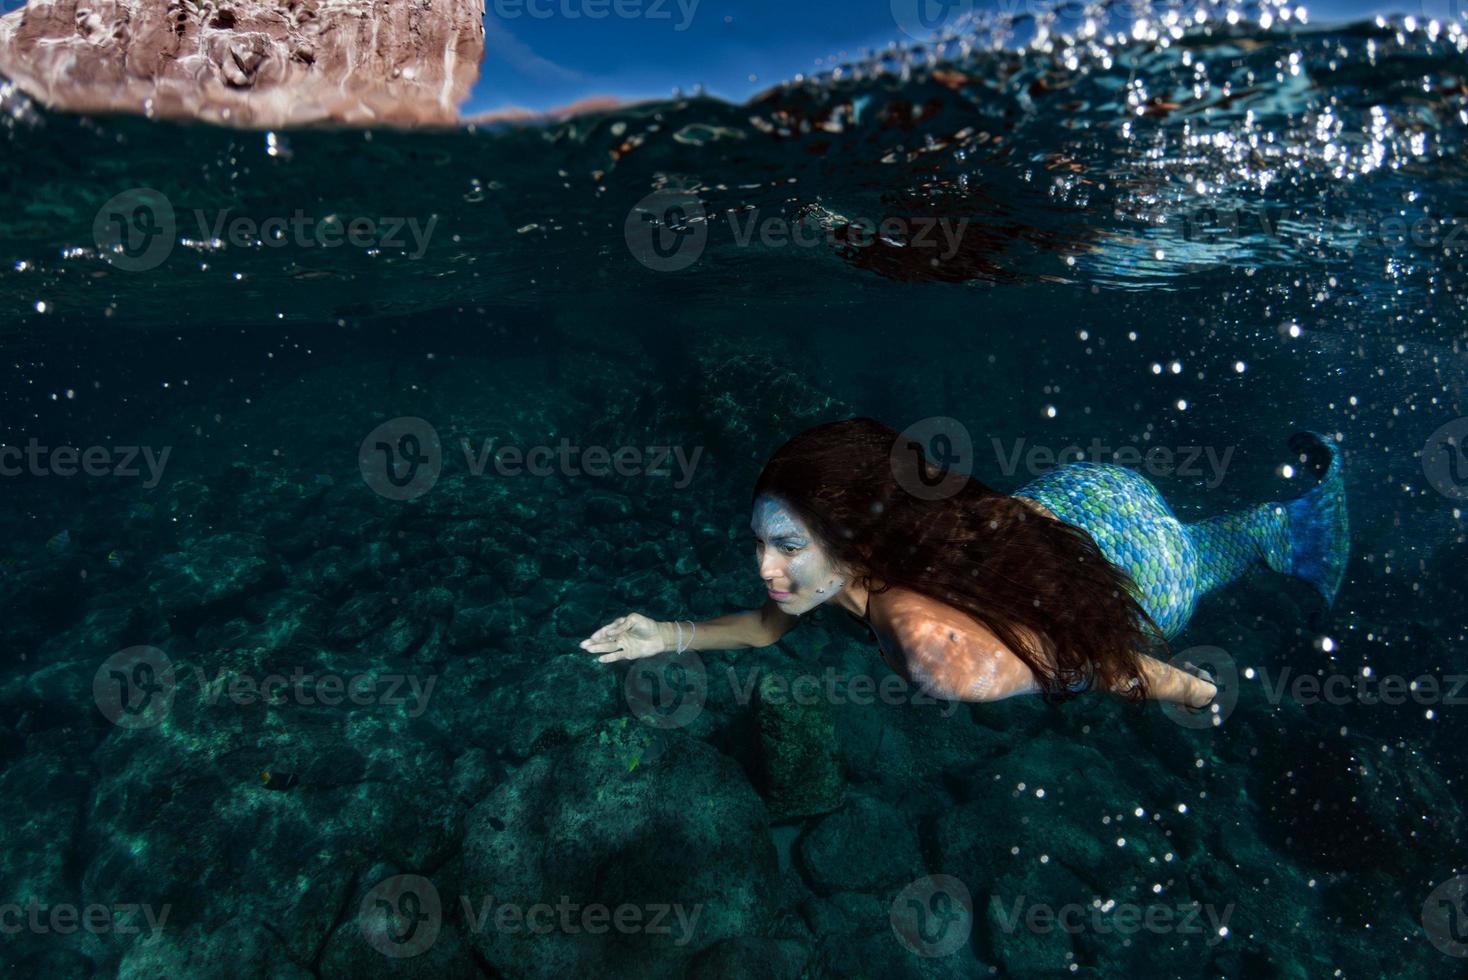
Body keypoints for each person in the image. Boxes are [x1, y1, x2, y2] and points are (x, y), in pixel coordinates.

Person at [579, 417, 1349, 710]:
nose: (766, 570)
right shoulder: (869, 551)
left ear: (852, 544)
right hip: (1086, 491)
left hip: (1137, 565)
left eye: (785, 548)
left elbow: (1084, 661)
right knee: (1204, 537)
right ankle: (1289, 520)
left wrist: (1189, 689)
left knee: (1218, 547)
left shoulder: (927, 646)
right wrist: (665, 635)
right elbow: (763, 627)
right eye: (760, 543)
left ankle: (1292, 530)